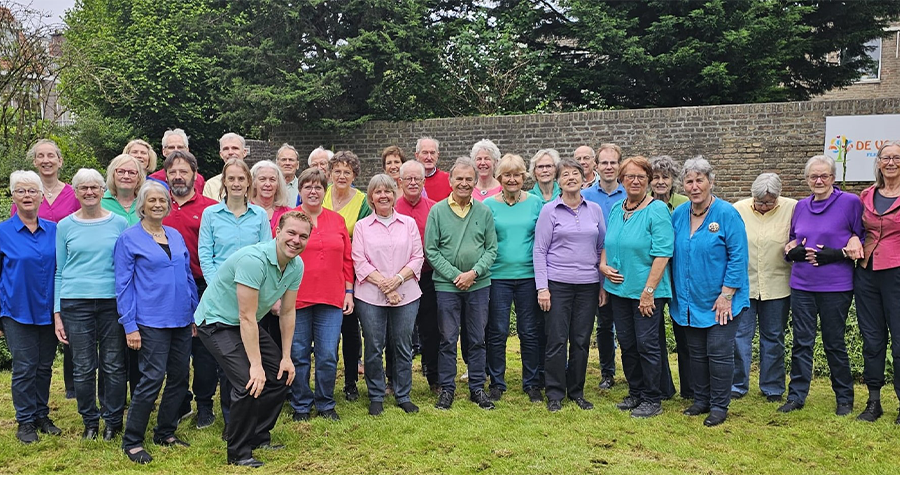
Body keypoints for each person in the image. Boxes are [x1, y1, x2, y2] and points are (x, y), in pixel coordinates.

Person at [196, 211, 310, 468]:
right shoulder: (253, 260)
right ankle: (238, 452)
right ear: (277, 232)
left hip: (242, 324)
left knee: (280, 376)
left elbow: (288, 311)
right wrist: (256, 366)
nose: (296, 240)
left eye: (303, 236)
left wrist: (286, 357)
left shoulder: (296, 265)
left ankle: (258, 436)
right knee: (249, 381)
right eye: (291, 233)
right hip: (216, 323)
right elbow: (246, 317)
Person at [116, 182, 197, 465]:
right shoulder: (129, 239)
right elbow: (123, 285)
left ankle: (166, 431)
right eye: (152, 200)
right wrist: (129, 325)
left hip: (180, 318)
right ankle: (133, 440)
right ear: (142, 204)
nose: (158, 204)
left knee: (179, 377)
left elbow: (187, 276)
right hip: (149, 320)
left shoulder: (174, 235)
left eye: (162, 200)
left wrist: (194, 312)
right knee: (152, 378)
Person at [780, 155, 863, 416]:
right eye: (813, 176)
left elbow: (860, 238)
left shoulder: (850, 203)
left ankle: (844, 398)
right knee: (801, 342)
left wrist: (838, 253)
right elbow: (794, 239)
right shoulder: (801, 206)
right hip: (803, 284)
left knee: (833, 342)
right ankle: (796, 396)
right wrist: (791, 251)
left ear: (833, 178)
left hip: (835, 285)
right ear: (806, 180)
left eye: (824, 176)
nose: (818, 180)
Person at [671, 156, 749, 427]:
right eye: (689, 181)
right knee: (695, 352)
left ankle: (718, 405)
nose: (694, 186)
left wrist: (727, 294)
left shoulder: (727, 214)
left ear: (711, 182)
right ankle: (701, 400)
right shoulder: (679, 215)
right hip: (689, 299)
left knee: (718, 352)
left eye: (699, 180)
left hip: (721, 300)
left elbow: (739, 256)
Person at [54, 168, 129, 440]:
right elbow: (60, 270)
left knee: (113, 364)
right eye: (83, 188)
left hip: (111, 301)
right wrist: (57, 312)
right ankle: (90, 420)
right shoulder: (64, 226)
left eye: (94, 188)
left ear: (102, 191)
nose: (89, 192)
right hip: (75, 303)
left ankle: (113, 420)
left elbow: (125, 264)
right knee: (84, 366)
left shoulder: (119, 223)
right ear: (75, 192)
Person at [199, 158, 272, 426]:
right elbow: (206, 255)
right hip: (221, 299)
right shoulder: (211, 215)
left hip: (252, 296)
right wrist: (218, 287)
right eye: (232, 179)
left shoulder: (260, 216)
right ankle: (232, 420)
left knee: (253, 357)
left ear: (248, 183)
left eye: (242, 179)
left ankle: (252, 416)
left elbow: (266, 253)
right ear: (224, 182)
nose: (237, 183)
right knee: (228, 364)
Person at [600, 156, 674, 418]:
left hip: (647, 293)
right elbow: (609, 242)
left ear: (649, 181)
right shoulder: (617, 208)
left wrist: (649, 292)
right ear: (621, 180)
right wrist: (603, 265)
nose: (635, 181)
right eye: (629, 176)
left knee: (647, 344)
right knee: (628, 343)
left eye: (641, 177)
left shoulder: (657, 210)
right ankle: (636, 392)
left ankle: (653, 398)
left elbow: (663, 253)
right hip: (620, 290)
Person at [425, 157, 498, 410]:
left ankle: (477, 388)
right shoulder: (437, 211)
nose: (464, 183)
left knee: (477, 338)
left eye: (469, 179)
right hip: (447, 286)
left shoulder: (484, 211)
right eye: (460, 178)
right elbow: (431, 251)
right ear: (450, 180)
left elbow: (491, 249)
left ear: (475, 182)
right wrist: (457, 275)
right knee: (447, 339)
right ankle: (447, 389)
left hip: (478, 285)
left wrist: (473, 274)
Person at [534, 158, 604, 412]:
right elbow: (539, 250)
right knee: (556, 339)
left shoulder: (594, 210)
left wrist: (602, 286)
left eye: (576, 173)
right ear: (558, 181)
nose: (571, 178)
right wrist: (543, 287)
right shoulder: (549, 211)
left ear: (584, 178)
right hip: (558, 285)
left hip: (588, 285)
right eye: (566, 175)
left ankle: (577, 391)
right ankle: (554, 393)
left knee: (581, 340)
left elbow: (601, 248)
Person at [352, 174, 424, 416]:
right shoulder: (362, 226)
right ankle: (376, 394)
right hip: (370, 295)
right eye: (378, 192)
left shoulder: (408, 224)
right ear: (371, 197)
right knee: (373, 345)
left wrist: (397, 281)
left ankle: (403, 394)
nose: (383, 195)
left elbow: (417, 257)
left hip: (406, 293)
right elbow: (359, 261)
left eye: (388, 191)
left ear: (395, 195)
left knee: (403, 345)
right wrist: (385, 285)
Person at [14, 140, 79, 399]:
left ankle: (57, 400)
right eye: (40, 156)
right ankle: (28, 416)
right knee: (27, 363)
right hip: (26, 285)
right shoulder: (22, 199)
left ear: (60, 161)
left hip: (61, 276)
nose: (46, 160)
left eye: (51, 155)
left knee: (50, 354)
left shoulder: (72, 196)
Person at [289, 168, 354, 421]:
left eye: (318, 187)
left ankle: (325, 402)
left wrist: (349, 291)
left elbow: (347, 259)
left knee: (327, 354)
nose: (313, 191)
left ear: (324, 191)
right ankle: (301, 404)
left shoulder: (337, 221)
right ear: (300, 190)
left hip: (331, 296)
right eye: (308, 186)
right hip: (297, 297)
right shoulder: (290, 219)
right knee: (299, 353)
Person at [0, 171, 61, 444]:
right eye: (21, 191)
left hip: (49, 310)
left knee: (44, 366)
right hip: (16, 310)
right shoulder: (3, 232)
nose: (27, 196)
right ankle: (25, 421)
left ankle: (41, 415)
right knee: (25, 366)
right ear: (13, 196)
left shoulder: (55, 230)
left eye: (32, 191)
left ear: (41, 196)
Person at [163, 150, 218, 429]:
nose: (178, 176)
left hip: (202, 284)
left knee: (205, 348)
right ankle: (179, 400)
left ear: (195, 175)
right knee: (177, 347)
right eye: (173, 172)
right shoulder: (158, 205)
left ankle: (205, 404)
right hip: (168, 289)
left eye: (183, 171)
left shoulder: (209, 207)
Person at [483, 154, 545, 403]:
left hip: (528, 276)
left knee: (529, 331)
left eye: (517, 174)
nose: (512, 179)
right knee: (497, 331)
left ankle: (532, 383)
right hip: (497, 277)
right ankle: (497, 382)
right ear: (499, 178)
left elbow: (542, 241)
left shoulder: (535, 203)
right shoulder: (488, 205)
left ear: (523, 177)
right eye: (507, 175)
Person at [731, 173, 797, 402]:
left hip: (777, 285)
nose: (764, 206)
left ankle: (772, 387)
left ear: (778, 197)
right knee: (740, 337)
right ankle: (737, 385)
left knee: (774, 337)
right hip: (744, 286)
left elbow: (803, 234)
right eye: (759, 202)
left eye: (769, 202)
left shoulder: (792, 208)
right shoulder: (738, 209)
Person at [855, 141, 900, 424]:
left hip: (897, 271)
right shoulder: (866, 195)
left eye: (897, 157)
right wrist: (853, 240)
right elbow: (856, 229)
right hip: (867, 272)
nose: (892, 162)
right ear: (879, 162)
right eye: (887, 157)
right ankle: (874, 401)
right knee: (872, 339)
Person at [321, 151, 371, 401]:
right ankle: (320, 382)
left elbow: (361, 237)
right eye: (337, 171)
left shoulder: (362, 201)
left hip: (349, 270)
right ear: (329, 174)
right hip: (320, 270)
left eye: (347, 172)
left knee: (350, 330)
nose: (342, 176)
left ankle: (350, 381)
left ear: (355, 176)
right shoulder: (321, 193)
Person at [582, 143, 626, 391]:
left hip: (624, 270)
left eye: (613, 162)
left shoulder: (630, 193)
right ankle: (607, 373)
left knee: (628, 326)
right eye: (604, 163)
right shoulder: (586, 196)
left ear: (619, 166)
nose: (609, 167)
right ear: (596, 167)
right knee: (603, 325)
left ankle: (633, 372)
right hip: (594, 270)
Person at [395, 160, 440, 393]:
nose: (413, 183)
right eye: (408, 179)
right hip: (398, 278)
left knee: (431, 328)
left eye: (417, 179)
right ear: (399, 181)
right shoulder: (390, 207)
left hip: (429, 276)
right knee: (397, 330)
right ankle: (393, 379)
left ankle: (434, 377)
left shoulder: (435, 208)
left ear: (424, 182)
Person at [650, 154, 690, 400]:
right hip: (655, 277)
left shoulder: (684, 203)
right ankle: (663, 386)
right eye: (655, 177)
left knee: (685, 335)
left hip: (680, 276)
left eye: (665, 177)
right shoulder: (641, 204)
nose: (660, 182)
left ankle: (690, 388)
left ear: (673, 179)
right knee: (655, 336)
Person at [156, 128, 206, 193]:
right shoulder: (154, 180)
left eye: (180, 147)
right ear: (164, 152)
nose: (176, 150)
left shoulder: (199, 179)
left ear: (187, 150)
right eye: (171, 147)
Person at [250, 160, 292, 235]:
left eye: (272, 180)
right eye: (262, 179)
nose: (268, 184)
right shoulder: (245, 210)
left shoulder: (289, 213)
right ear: (254, 182)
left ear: (278, 184)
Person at [203, 133, 249, 201]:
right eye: (226, 149)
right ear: (221, 154)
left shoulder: (255, 181)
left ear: (244, 152)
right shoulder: (211, 185)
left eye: (235, 148)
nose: (230, 152)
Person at [102, 153, 144, 226]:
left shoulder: (146, 202)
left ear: (139, 177)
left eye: (132, 173)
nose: (126, 176)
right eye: (121, 172)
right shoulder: (100, 202)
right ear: (113, 175)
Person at [417, 137, 451, 201]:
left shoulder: (449, 179)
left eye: (432, 153)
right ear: (417, 155)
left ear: (437, 155)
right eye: (425, 153)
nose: (429, 157)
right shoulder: (410, 180)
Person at [276, 143, 301, 208]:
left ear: (297, 165)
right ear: (277, 163)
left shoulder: (303, 187)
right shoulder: (269, 186)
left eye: (291, 160)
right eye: (284, 160)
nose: (287, 163)